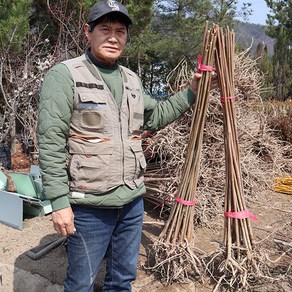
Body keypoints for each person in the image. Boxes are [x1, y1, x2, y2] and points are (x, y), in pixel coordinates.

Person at [38, 1, 212, 291]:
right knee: (80, 283)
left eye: (120, 31)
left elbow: (156, 115)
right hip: (90, 205)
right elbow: (50, 142)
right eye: (105, 29)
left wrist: (191, 92)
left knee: (122, 281)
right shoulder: (65, 75)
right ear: (87, 32)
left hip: (131, 202)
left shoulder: (130, 79)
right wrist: (59, 203)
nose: (113, 37)